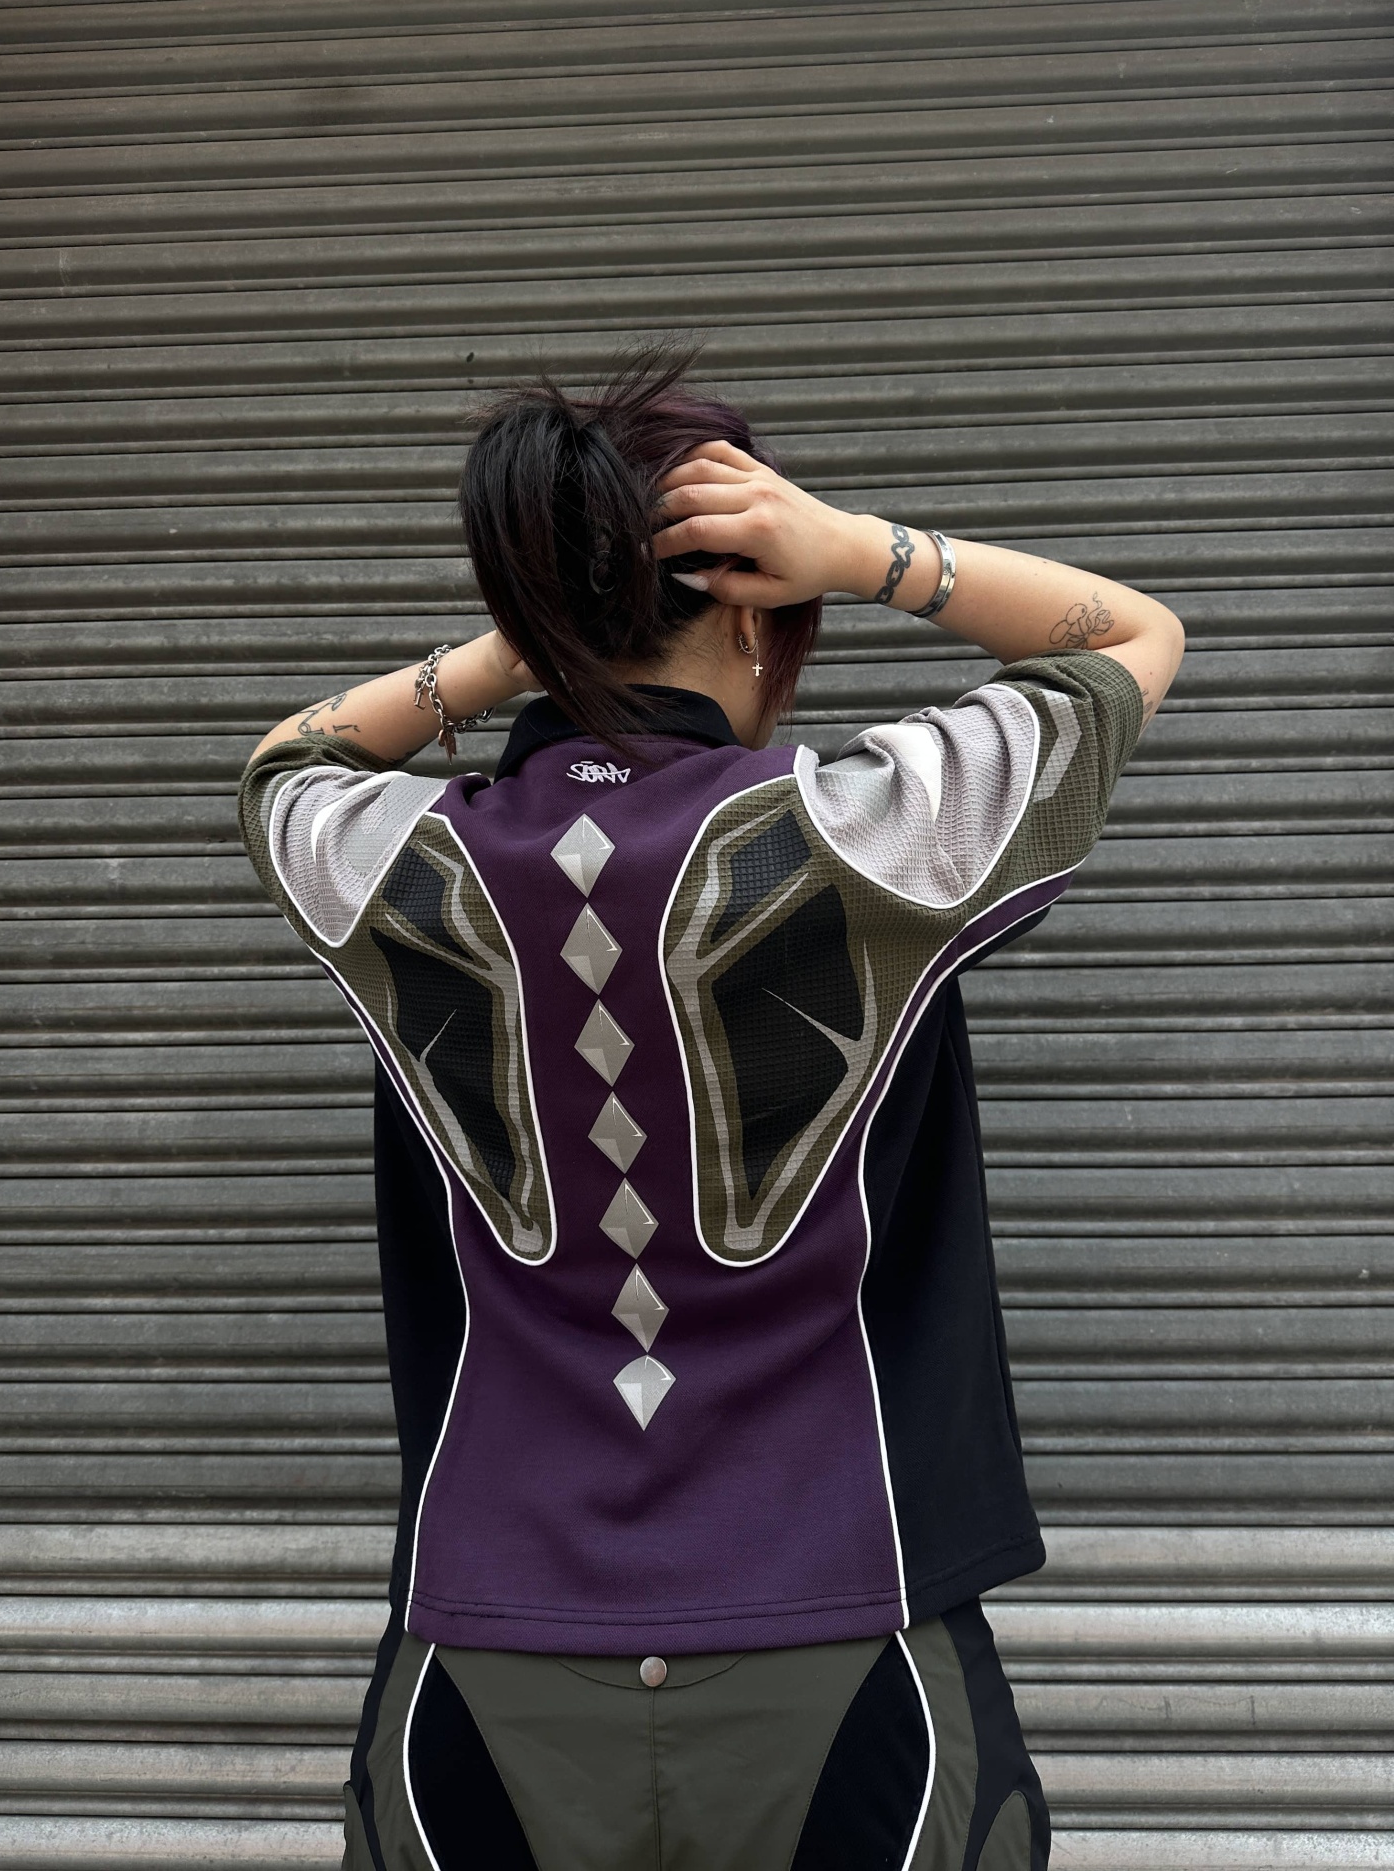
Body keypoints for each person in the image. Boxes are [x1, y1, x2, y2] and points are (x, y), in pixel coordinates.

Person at [239, 348, 1183, 1871]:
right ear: (755, 608)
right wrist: (865, 554)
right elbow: (1135, 634)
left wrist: (517, 650)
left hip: (483, 1656)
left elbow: (288, 757)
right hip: (848, 1630)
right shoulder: (878, 830)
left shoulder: (391, 860)